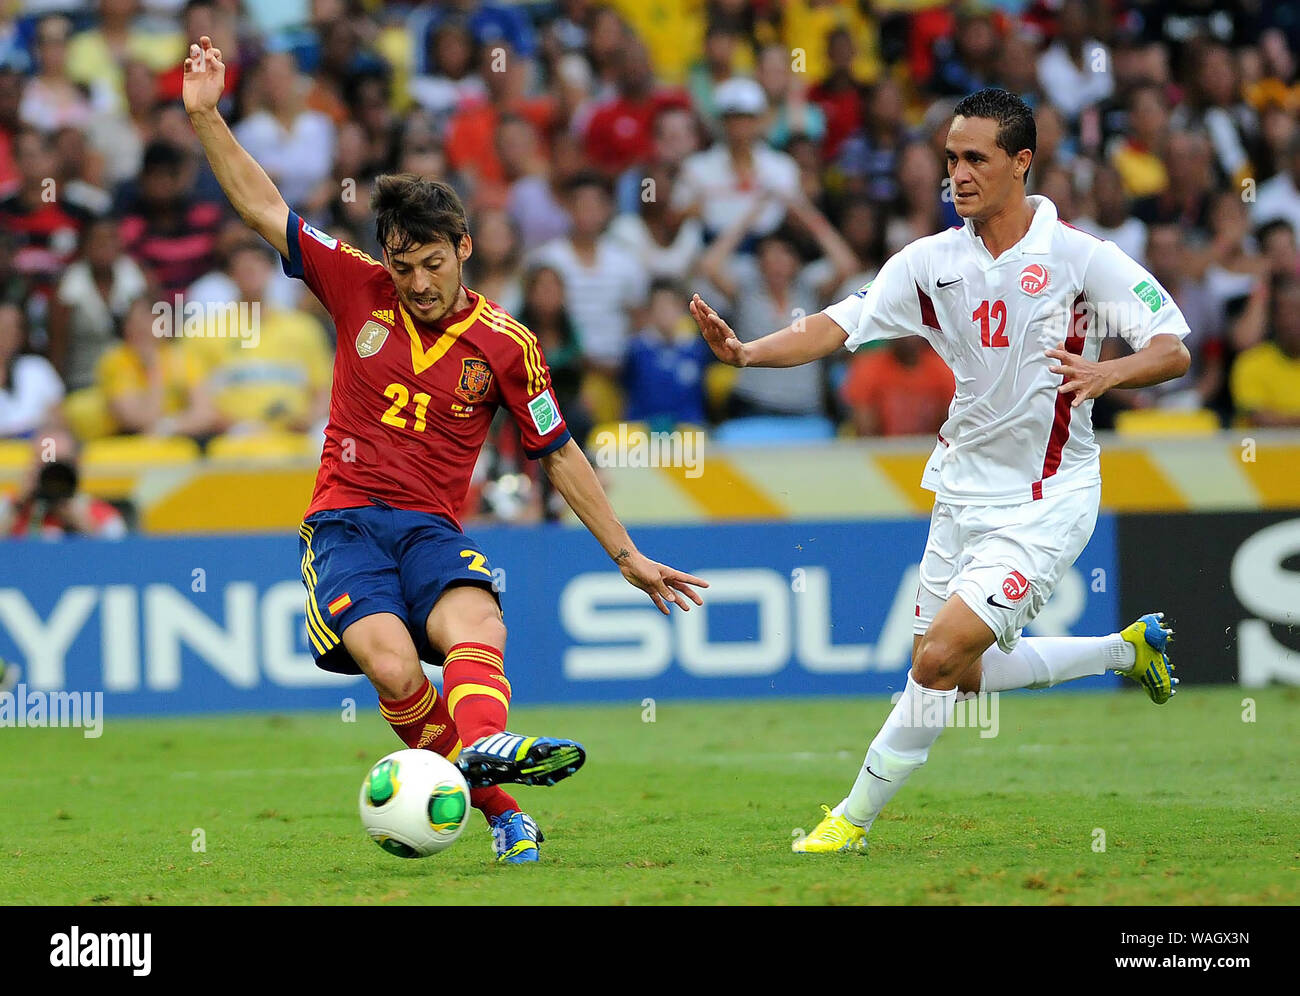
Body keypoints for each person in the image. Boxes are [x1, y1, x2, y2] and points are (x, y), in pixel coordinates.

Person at [183, 36, 705, 864]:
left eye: (432, 263)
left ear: (464, 247)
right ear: (384, 257)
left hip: (429, 528)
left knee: (478, 625)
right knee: (395, 673)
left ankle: (485, 754)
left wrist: (626, 553)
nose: (418, 283)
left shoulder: (507, 344)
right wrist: (207, 114)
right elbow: (260, 205)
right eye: (403, 266)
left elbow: (559, 452)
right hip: (345, 525)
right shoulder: (354, 284)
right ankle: (502, 806)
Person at [690, 88, 1189, 855]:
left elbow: (1171, 346)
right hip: (960, 490)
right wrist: (750, 352)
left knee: (936, 656)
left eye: (975, 159)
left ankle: (850, 819)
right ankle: (1126, 651)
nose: (956, 173)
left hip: (1047, 496)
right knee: (956, 676)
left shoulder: (1079, 257)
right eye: (950, 158)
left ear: (1021, 163)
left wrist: (1106, 375)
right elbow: (836, 325)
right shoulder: (929, 263)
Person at [0, 426, 126, 539]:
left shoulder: (105, 517)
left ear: (76, 465)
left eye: (58, 465)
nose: (51, 475)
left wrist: (83, 524)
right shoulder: (7, 507)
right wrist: (17, 507)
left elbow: (114, 559)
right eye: (42, 463)